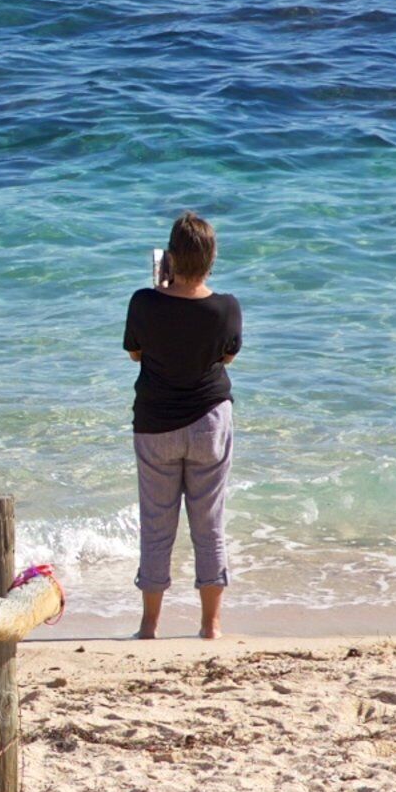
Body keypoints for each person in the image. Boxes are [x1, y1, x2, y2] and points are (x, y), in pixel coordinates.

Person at [124, 212, 239, 639]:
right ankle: (211, 626)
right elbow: (227, 358)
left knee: (156, 525)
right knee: (209, 524)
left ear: (170, 258)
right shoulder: (226, 307)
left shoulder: (144, 301)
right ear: (211, 259)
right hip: (209, 419)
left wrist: (160, 295)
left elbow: (136, 353)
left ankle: (149, 626)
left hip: (156, 424)